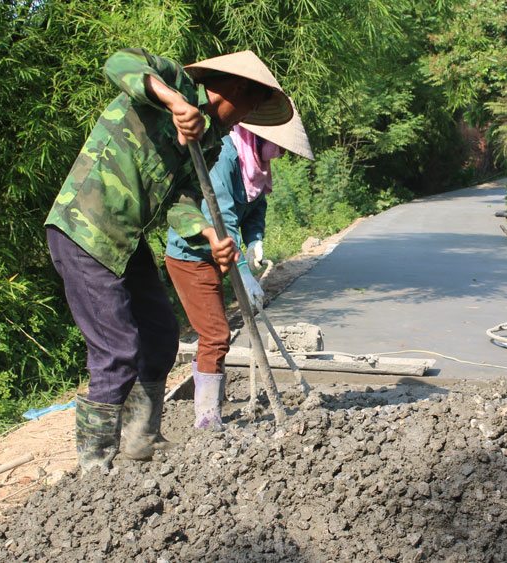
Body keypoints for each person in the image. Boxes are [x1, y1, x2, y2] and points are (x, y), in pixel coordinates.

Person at [44, 48, 293, 473]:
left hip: (125, 238)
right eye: (249, 106)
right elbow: (116, 63)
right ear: (233, 90)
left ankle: (142, 439)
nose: (245, 117)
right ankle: (94, 470)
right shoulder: (172, 82)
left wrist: (211, 235)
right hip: (84, 228)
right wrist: (173, 102)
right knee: (116, 350)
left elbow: (183, 203)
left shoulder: (209, 143)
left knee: (160, 334)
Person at [164, 102, 314, 429]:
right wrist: (244, 273)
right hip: (193, 255)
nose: (281, 155)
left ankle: (211, 405)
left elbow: (255, 208)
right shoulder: (227, 158)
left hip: (222, 255)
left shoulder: (255, 162)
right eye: (280, 147)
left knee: (217, 331)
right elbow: (223, 222)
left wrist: (256, 240)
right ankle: (206, 417)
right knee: (217, 333)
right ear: (259, 136)